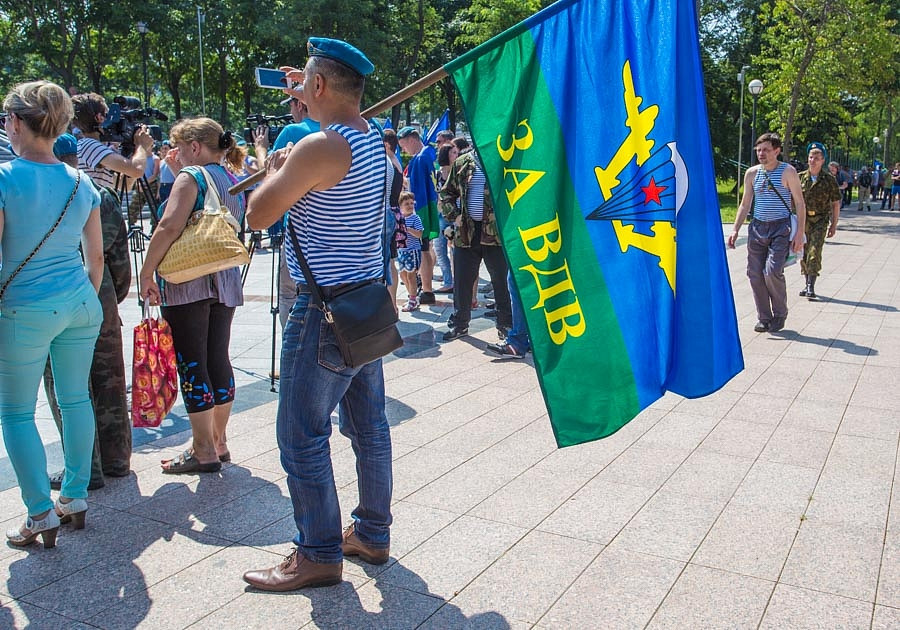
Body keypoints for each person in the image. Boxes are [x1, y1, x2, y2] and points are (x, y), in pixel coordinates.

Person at [242, 37, 392, 591]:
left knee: (301, 435)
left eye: (305, 81)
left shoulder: (316, 148)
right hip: (365, 304)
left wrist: (269, 164)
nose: (299, 89)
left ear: (319, 86)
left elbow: (258, 215)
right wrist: (304, 95)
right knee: (369, 428)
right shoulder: (374, 139)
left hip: (323, 309)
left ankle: (318, 552)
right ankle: (372, 533)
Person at [0, 81, 104, 547]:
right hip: (81, 301)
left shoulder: (5, 178)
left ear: (17, 123)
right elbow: (95, 258)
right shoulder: (82, 181)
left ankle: (40, 511)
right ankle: (75, 497)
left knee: (17, 412)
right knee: (75, 399)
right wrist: (83, 299)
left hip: (25, 305)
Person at [139, 117, 246, 474]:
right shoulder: (232, 176)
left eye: (181, 147)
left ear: (195, 147)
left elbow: (169, 226)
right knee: (218, 357)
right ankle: (218, 440)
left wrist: (145, 272)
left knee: (191, 361)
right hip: (225, 279)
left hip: (188, 281)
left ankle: (202, 449)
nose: (177, 154)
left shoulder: (191, 177)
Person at [43, 133, 132, 492]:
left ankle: (84, 470)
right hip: (101, 296)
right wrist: (112, 295)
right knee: (109, 379)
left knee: (66, 386)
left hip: (58, 296)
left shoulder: (36, 194)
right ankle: (117, 460)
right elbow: (118, 259)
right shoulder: (100, 194)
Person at [727, 132, 806, 333]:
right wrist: (735, 229)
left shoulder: (788, 171)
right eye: (759, 150)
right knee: (754, 273)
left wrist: (799, 235)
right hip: (757, 227)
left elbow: (799, 203)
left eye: (766, 150)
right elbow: (745, 204)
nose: (761, 153)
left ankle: (780, 314)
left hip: (780, 228)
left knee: (771, 272)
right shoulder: (752, 173)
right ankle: (764, 317)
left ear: (777, 151)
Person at [439, 147, 512, 341]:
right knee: (462, 280)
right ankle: (460, 324)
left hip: (495, 235)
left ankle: (505, 325)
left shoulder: (503, 159)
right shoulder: (463, 162)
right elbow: (446, 192)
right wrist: (454, 216)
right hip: (467, 232)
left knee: (500, 281)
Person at [70, 92, 154, 205]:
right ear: (100, 117)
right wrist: (142, 146)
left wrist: (133, 151)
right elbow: (137, 170)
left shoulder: (94, 147)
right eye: (108, 113)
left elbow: (125, 186)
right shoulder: (89, 145)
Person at [397, 126, 439, 304]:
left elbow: (418, 193)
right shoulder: (427, 154)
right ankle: (427, 287)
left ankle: (427, 290)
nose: (403, 150)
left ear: (411, 139)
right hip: (427, 208)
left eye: (403, 146)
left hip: (422, 210)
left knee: (424, 250)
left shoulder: (420, 159)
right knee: (427, 249)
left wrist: (416, 216)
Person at [798, 143, 841, 300]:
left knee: (814, 251)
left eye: (816, 158)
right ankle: (806, 281)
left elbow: (836, 203)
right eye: (810, 157)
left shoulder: (829, 180)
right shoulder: (800, 177)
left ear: (823, 160)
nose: (813, 160)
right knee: (803, 251)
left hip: (820, 220)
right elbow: (792, 200)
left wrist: (834, 224)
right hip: (803, 220)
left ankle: (811, 285)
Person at [433, 143, 459, 293]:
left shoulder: (458, 173)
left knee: (455, 251)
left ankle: (457, 281)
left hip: (454, 215)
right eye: (453, 153)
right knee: (439, 250)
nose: (456, 155)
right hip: (440, 215)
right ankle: (448, 281)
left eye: (456, 152)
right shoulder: (437, 174)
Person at [397, 191, 424, 312]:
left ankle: (412, 299)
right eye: (406, 203)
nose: (410, 206)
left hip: (412, 251)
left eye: (411, 203)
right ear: (400, 206)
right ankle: (412, 296)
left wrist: (408, 229)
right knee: (403, 275)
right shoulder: (400, 218)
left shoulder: (415, 218)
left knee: (411, 275)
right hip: (401, 251)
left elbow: (419, 234)